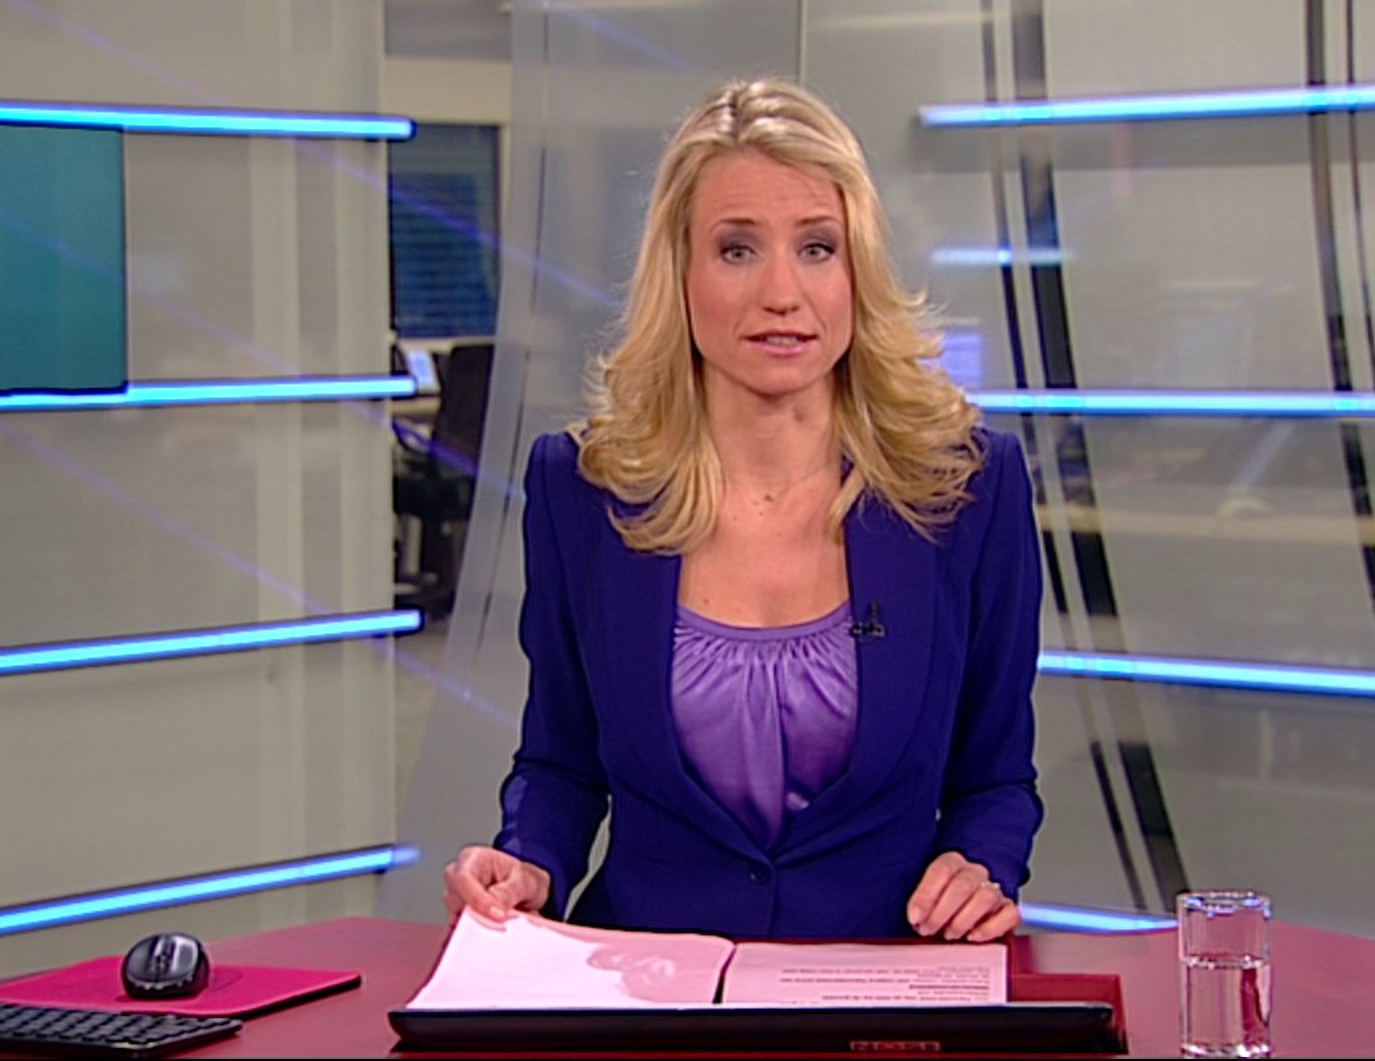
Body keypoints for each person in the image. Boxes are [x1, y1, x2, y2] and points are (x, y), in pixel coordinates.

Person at [442, 78, 1043, 942]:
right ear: (679, 271)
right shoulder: (584, 488)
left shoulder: (968, 489)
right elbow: (561, 762)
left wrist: (981, 861)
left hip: (882, 975)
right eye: (736, 250)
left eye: (817, 247)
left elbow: (996, 779)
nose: (781, 293)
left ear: (857, 270)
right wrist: (529, 860)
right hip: (648, 977)